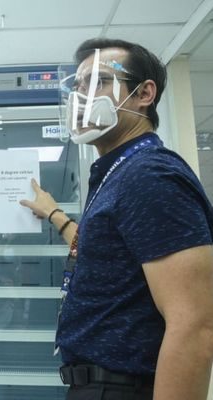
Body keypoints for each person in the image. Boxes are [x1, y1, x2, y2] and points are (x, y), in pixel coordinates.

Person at [20, 38, 213, 399]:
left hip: (122, 389)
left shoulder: (149, 175)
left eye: (99, 82)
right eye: (77, 86)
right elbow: (103, 255)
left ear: (144, 94)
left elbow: (194, 324)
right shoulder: (121, 172)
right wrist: (55, 214)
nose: (81, 96)